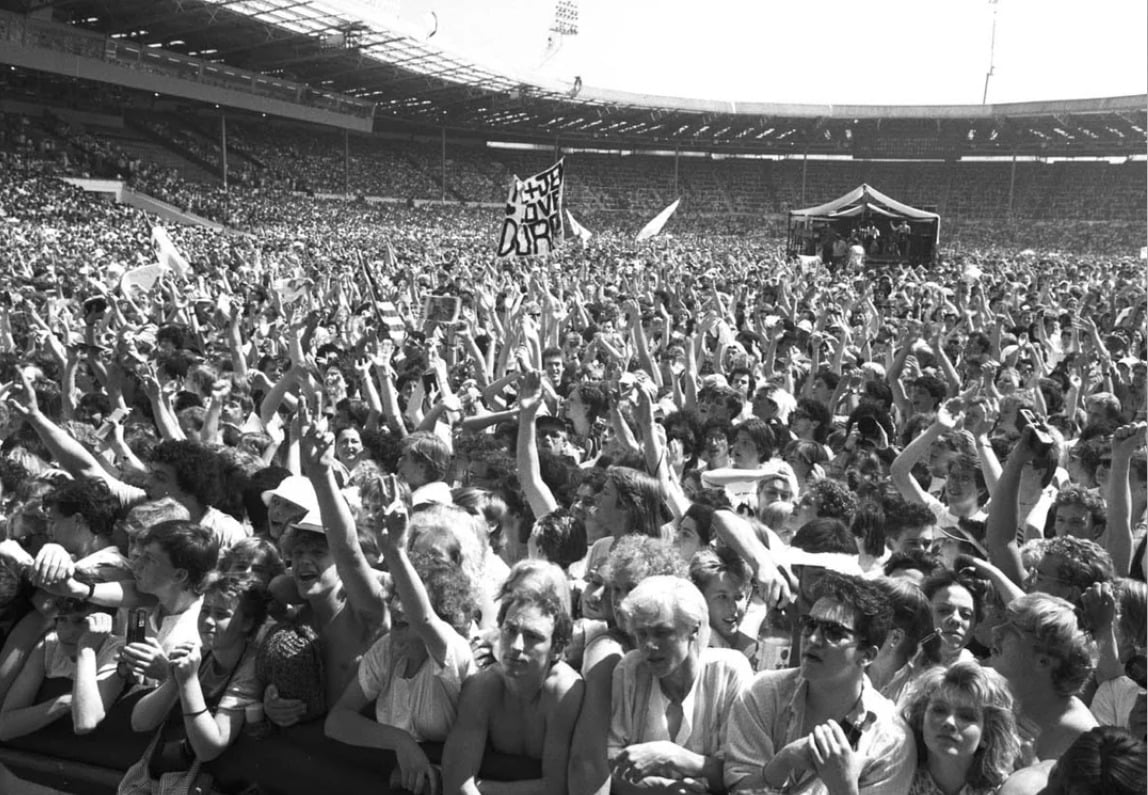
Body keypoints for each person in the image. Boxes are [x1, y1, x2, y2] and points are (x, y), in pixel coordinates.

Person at [324, 499, 475, 795]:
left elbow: (424, 619)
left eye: (407, 599)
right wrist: (399, 742)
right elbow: (337, 722)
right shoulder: (386, 650)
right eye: (395, 596)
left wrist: (393, 550)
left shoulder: (451, 651)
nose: (396, 605)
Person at [724, 573, 916, 793]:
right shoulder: (763, 694)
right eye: (810, 624)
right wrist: (781, 764)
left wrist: (843, 786)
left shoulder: (891, 739)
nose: (813, 639)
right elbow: (736, 786)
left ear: (867, 655)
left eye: (833, 632)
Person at [118, 572, 268, 794]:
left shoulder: (250, 670)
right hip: (156, 780)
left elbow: (209, 747)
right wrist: (173, 679)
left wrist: (188, 682)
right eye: (205, 611)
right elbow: (140, 722)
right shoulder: (200, 655)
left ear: (247, 623)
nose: (208, 621)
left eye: (221, 614)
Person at [607, 576, 752, 793]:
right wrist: (655, 789)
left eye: (662, 633)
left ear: (694, 628)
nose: (649, 645)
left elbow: (745, 774)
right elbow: (605, 762)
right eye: (641, 633)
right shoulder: (630, 671)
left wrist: (672, 756)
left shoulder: (729, 671)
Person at [441, 580, 584, 794]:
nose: (517, 646)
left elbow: (556, 788)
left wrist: (481, 788)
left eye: (532, 637)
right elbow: (456, 785)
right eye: (510, 630)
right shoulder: (482, 688)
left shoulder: (564, 691)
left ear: (557, 648)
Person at [989, 592, 1098, 760]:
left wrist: (1032, 770)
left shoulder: (1078, 738)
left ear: (1044, 661)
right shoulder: (993, 693)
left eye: (1012, 629)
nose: (996, 631)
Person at [0, 598, 123, 740]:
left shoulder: (116, 650)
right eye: (62, 619)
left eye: (81, 621)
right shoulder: (50, 645)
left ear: (108, 624)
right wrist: (66, 701)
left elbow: (86, 721)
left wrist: (86, 650)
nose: (67, 632)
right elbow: (5, 727)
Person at [902, 661, 1020, 795]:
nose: (949, 722)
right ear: (920, 719)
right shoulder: (898, 779)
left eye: (966, 716)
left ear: (986, 735)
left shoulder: (1005, 790)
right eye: (940, 710)